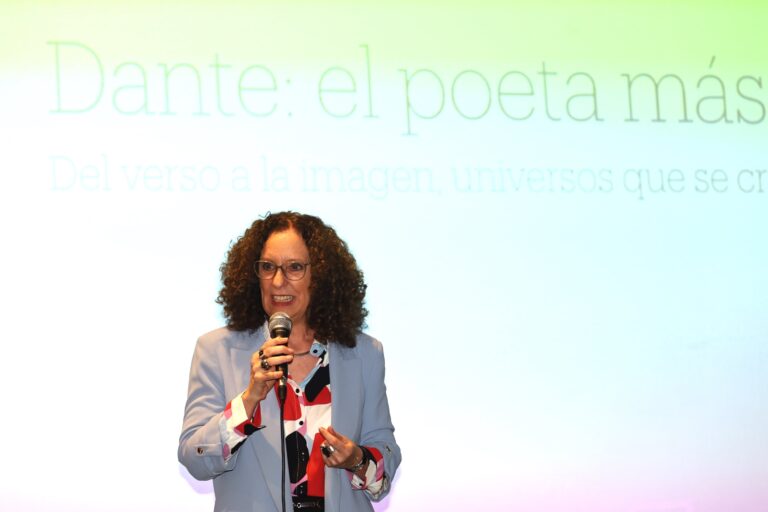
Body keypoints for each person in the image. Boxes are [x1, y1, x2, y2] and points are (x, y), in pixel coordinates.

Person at [178, 211, 401, 512]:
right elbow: (194, 458)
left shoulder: (364, 354)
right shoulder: (217, 350)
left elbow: (384, 466)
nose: (278, 281)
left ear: (318, 276)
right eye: (268, 267)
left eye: (294, 267)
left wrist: (357, 460)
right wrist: (249, 400)